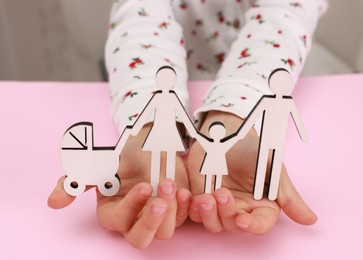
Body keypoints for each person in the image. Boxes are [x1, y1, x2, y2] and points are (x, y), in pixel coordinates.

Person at [48, 0, 328, 249]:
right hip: (145, 88)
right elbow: (140, 14)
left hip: (264, 77)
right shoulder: (161, 98)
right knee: (159, 156)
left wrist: (231, 116)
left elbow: (286, 13)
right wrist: (143, 123)